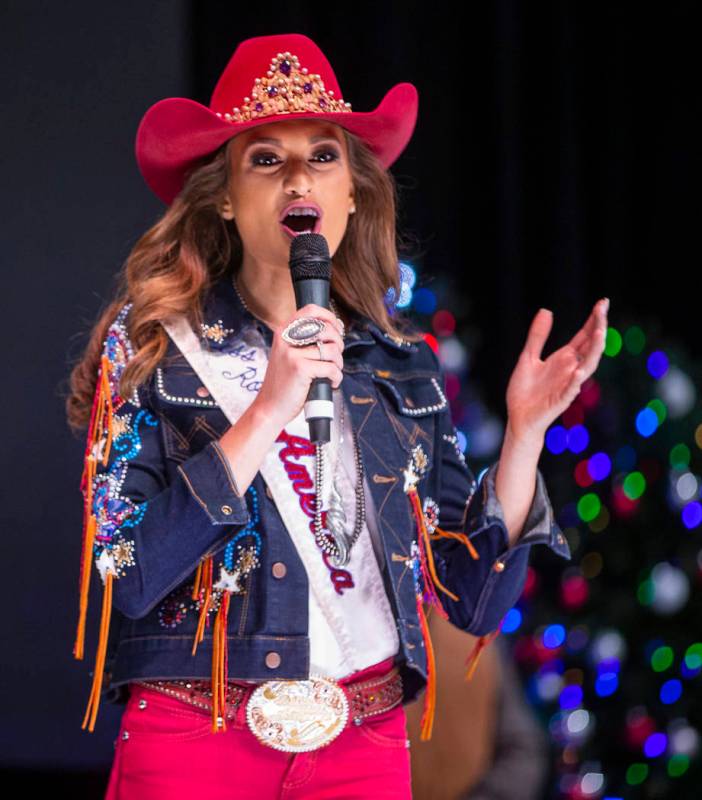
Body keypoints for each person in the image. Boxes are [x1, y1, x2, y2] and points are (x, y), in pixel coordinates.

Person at [65, 32, 607, 799]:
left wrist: (523, 438)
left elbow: (474, 597)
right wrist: (265, 411)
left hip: (362, 743)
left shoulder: (399, 365)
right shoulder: (157, 349)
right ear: (223, 195)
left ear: (352, 192)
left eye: (324, 155)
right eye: (265, 159)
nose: (298, 178)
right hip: (199, 738)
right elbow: (126, 569)